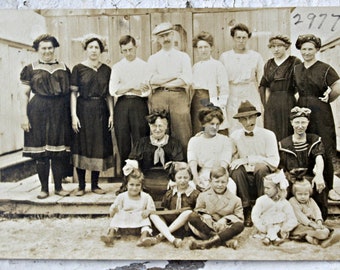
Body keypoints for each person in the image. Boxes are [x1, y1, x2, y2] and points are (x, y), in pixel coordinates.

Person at [20, 34, 72, 199]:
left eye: (50, 48)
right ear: (37, 50)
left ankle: (58, 186)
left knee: (58, 150)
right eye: (43, 48)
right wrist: (23, 116)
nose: (47, 51)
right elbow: (25, 94)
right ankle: (44, 188)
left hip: (60, 111)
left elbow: (71, 94)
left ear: (54, 49)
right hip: (38, 111)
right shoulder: (30, 68)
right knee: (41, 151)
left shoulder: (64, 67)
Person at [293, 34, 340, 198]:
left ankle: (328, 188)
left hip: (320, 111)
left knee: (324, 145)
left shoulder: (324, 68)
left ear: (317, 50)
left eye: (310, 49)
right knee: (305, 144)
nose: (306, 52)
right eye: (304, 49)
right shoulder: (297, 68)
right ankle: (307, 186)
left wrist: (329, 98)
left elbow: (337, 85)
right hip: (301, 108)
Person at [70, 33, 114, 196]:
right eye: (91, 47)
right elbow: (73, 94)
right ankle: (81, 186)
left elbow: (109, 94)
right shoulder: (78, 68)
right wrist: (74, 116)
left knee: (99, 145)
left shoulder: (106, 70)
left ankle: (95, 184)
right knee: (82, 144)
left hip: (101, 110)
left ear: (101, 50)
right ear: (86, 50)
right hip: (83, 109)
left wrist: (112, 114)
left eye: (96, 47)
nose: (94, 50)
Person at [230, 100, 280, 226]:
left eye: (251, 117)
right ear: (239, 121)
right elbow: (231, 159)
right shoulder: (234, 136)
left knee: (261, 167)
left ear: (257, 117)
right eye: (244, 119)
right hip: (244, 178)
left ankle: (263, 207)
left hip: (263, 175)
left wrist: (248, 159)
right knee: (236, 170)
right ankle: (246, 209)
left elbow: (274, 162)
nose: (248, 122)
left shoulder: (268, 135)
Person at [279, 106, 332, 220]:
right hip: (291, 177)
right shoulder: (284, 144)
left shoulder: (314, 139)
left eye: (303, 122)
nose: (300, 126)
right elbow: (281, 166)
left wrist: (319, 175)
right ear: (291, 123)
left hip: (309, 176)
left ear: (308, 123)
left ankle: (319, 218)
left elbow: (319, 157)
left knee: (318, 185)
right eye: (297, 122)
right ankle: (291, 219)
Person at [147, 22, 193, 151]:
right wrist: (174, 75)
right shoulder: (153, 59)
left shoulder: (183, 57)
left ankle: (183, 164)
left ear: (172, 35)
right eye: (161, 36)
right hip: (159, 96)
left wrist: (163, 82)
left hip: (178, 96)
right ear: (158, 39)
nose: (165, 39)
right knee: (159, 128)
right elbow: (151, 80)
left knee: (182, 130)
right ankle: (162, 165)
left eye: (167, 35)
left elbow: (187, 79)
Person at [109, 35, 150, 171]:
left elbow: (146, 91)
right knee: (123, 141)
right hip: (122, 105)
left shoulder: (144, 65)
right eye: (125, 50)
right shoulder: (117, 67)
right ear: (121, 51)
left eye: (130, 49)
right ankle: (126, 179)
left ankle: (141, 176)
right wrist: (134, 85)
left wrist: (125, 87)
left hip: (139, 104)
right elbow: (113, 90)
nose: (128, 53)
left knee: (141, 139)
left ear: (136, 47)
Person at [123, 110, 184, 201]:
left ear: (166, 126)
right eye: (154, 126)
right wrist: (133, 166)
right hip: (146, 177)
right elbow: (133, 159)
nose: (157, 129)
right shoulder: (142, 142)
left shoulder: (174, 143)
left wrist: (174, 165)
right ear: (149, 126)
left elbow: (179, 162)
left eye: (160, 126)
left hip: (168, 178)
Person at [219, 23, 264, 133]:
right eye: (238, 37)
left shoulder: (256, 56)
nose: (241, 40)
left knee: (254, 121)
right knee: (235, 122)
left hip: (250, 91)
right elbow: (221, 80)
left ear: (248, 38)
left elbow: (261, 80)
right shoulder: (225, 57)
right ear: (233, 38)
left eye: (244, 38)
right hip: (232, 92)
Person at [188, 166, 244, 250]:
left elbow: (239, 218)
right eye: (217, 182)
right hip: (208, 226)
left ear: (227, 182)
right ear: (210, 182)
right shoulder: (203, 195)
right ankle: (224, 241)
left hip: (224, 228)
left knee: (239, 225)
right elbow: (198, 210)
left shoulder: (235, 199)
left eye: (223, 182)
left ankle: (206, 243)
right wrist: (205, 215)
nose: (220, 185)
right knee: (192, 216)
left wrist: (226, 219)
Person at [100, 165, 156, 247]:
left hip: (139, 222)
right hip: (124, 222)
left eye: (138, 185)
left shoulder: (146, 197)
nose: (134, 188)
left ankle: (143, 238)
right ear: (126, 185)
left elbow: (152, 211)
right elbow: (111, 214)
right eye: (132, 185)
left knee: (146, 221)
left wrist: (147, 211)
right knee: (117, 215)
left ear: (141, 186)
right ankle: (110, 236)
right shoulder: (121, 196)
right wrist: (114, 210)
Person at [147, 162, 200, 247]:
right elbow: (166, 210)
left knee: (188, 213)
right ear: (174, 178)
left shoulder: (195, 194)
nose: (182, 180)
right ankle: (171, 238)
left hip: (185, 226)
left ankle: (161, 235)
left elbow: (197, 214)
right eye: (179, 177)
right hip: (170, 224)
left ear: (190, 177)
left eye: (185, 177)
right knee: (153, 215)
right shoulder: (169, 194)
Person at [259, 35, 301, 141]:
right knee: (271, 131)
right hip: (272, 103)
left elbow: (301, 84)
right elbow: (264, 85)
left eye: (279, 46)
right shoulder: (268, 64)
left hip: (288, 101)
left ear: (286, 46)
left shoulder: (294, 62)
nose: (276, 49)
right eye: (273, 46)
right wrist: (266, 104)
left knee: (287, 129)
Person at [187, 105, 236, 193]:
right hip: (202, 175)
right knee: (190, 187)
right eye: (212, 124)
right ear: (203, 123)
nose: (215, 127)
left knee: (231, 185)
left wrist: (215, 181)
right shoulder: (194, 141)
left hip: (220, 175)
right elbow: (192, 161)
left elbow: (224, 164)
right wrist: (196, 178)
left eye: (217, 124)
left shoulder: (225, 140)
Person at [191, 31, 229, 135]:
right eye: (200, 48)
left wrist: (219, 105)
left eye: (206, 47)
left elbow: (224, 88)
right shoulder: (195, 67)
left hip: (211, 100)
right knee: (198, 127)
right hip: (197, 101)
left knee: (212, 126)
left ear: (211, 48)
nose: (203, 50)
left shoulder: (218, 65)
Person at [251, 170, 298, 246]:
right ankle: (273, 238)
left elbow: (292, 218)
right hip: (265, 226)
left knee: (280, 219)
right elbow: (255, 215)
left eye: (268, 188)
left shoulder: (284, 202)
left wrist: (283, 228)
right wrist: (263, 228)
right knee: (269, 221)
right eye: (264, 188)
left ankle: (269, 237)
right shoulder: (261, 200)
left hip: (278, 228)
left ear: (277, 189)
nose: (265, 190)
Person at [289, 179, 340, 247]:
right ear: (294, 193)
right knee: (302, 230)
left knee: (324, 229)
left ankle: (315, 239)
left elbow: (317, 211)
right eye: (299, 194)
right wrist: (312, 224)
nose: (303, 196)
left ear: (309, 193)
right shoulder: (292, 201)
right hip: (299, 224)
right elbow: (300, 216)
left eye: (306, 194)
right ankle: (317, 237)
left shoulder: (311, 200)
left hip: (312, 223)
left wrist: (319, 221)